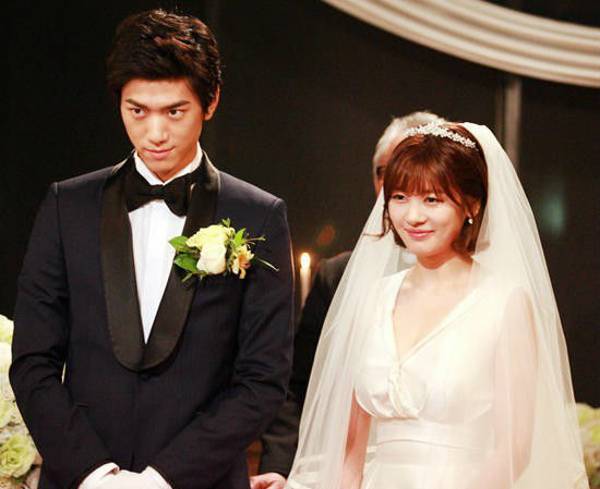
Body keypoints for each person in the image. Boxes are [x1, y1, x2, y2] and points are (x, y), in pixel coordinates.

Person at [10, 10, 294, 489]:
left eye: (174, 112)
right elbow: (33, 360)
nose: (155, 133)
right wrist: (94, 473)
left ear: (211, 101)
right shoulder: (67, 205)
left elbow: (262, 379)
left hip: (199, 480)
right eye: (137, 111)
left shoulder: (258, 215)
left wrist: (160, 479)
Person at [286, 122, 588, 488]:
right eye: (400, 197)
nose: (413, 216)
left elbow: (513, 447)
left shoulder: (503, 302)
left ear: (471, 205)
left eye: (432, 200)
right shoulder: (373, 297)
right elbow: (351, 452)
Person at [253, 112, 444, 489]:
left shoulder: (487, 291)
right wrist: (282, 468)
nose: (410, 200)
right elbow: (298, 383)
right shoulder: (340, 276)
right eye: (393, 177)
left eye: (427, 188)